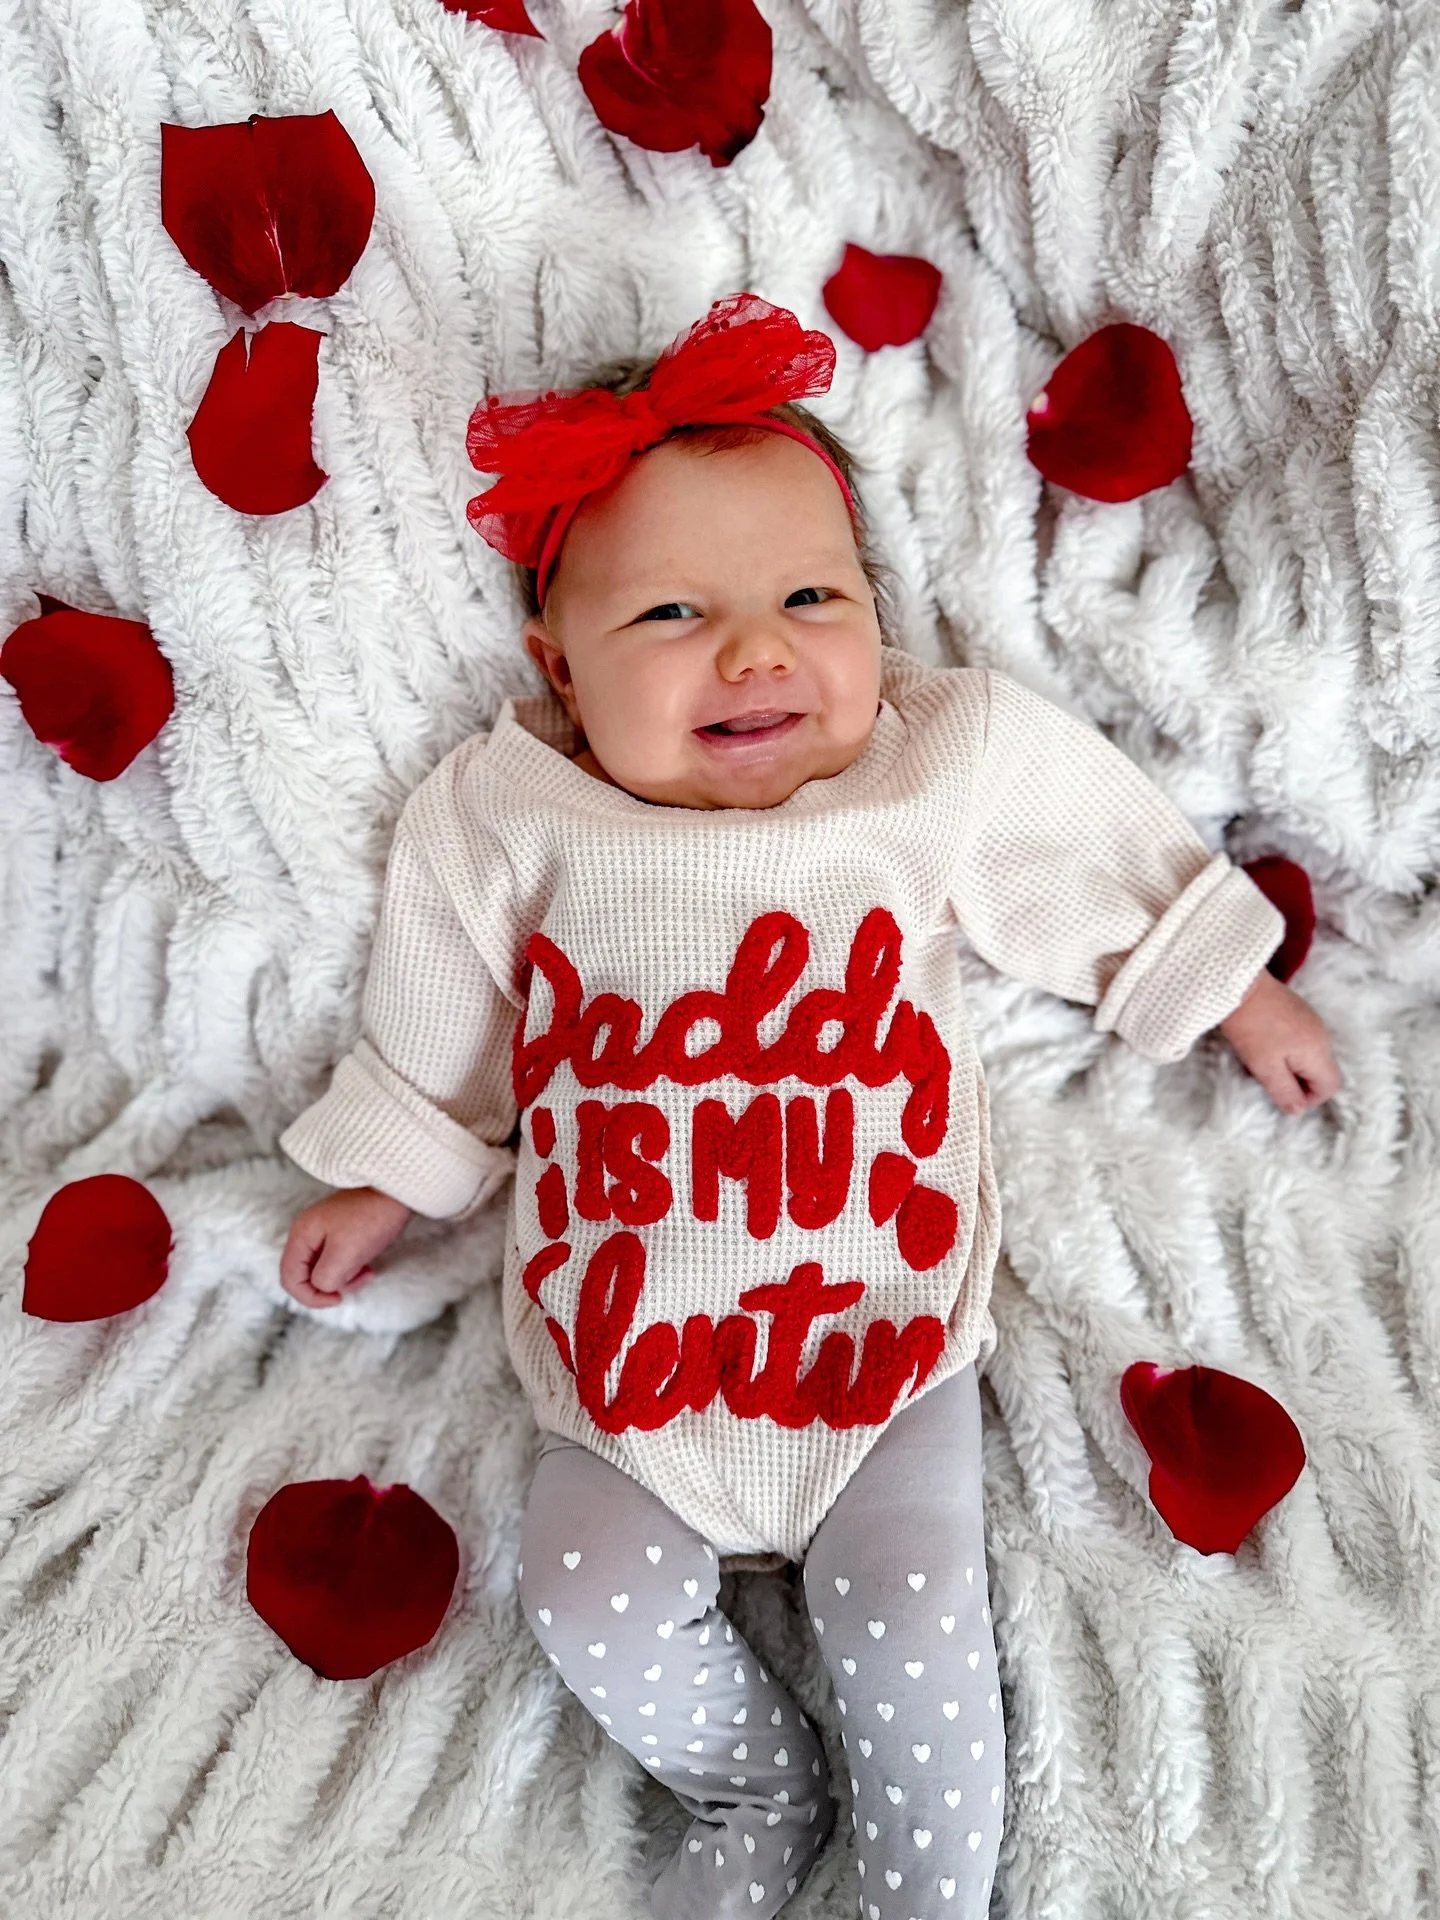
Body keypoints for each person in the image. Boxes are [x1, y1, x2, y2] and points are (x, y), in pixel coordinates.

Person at [277, 293, 1342, 1919]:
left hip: (873, 1337)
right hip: (631, 1368)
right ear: (560, 672)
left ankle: (922, 1889)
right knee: (580, 1587)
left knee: (915, 1605)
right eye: (673, 619)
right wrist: (393, 1172)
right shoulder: (510, 815)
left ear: (874, 615)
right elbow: (441, 1014)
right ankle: (748, 1782)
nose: (757, 649)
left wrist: (1228, 987)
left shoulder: (925, 767)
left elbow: (1084, 856)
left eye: (806, 596)